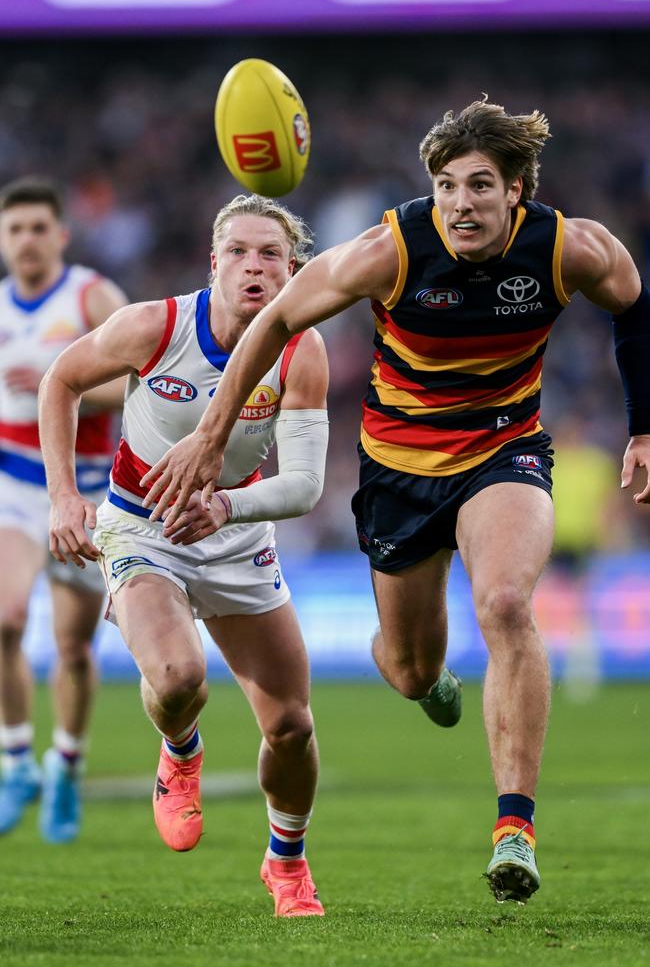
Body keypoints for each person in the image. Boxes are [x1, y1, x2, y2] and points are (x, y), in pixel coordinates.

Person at [137, 100, 650, 905]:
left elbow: (634, 306)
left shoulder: (569, 248)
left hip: (503, 451)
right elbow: (274, 321)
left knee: (509, 603)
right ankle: (427, 676)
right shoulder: (389, 250)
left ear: (517, 191)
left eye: (480, 186)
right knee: (409, 671)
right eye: (447, 185)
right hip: (398, 472)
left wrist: (643, 427)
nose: (461, 203)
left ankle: (514, 827)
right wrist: (211, 435)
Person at [39, 194, 330, 918]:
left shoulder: (303, 347)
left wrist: (226, 506)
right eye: (239, 252)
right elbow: (61, 381)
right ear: (214, 261)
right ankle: (181, 751)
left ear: (292, 271)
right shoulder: (156, 325)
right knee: (177, 677)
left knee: (291, 725)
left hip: (236, 536)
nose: (254, 267)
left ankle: (286, 863)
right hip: (142, 527)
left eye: (271, 256)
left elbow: (305, 484)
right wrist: (63, 497)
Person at [0, 177, 128, 843]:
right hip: (16, 484)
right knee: (5, 617)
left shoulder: (91, 296)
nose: (25, 240)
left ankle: (67, 766)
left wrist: (59, 379)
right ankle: (17, 758)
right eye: (14, 229)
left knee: (73, 647)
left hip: (88, 487)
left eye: (36, 228)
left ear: (60, 235)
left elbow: (146, 375)